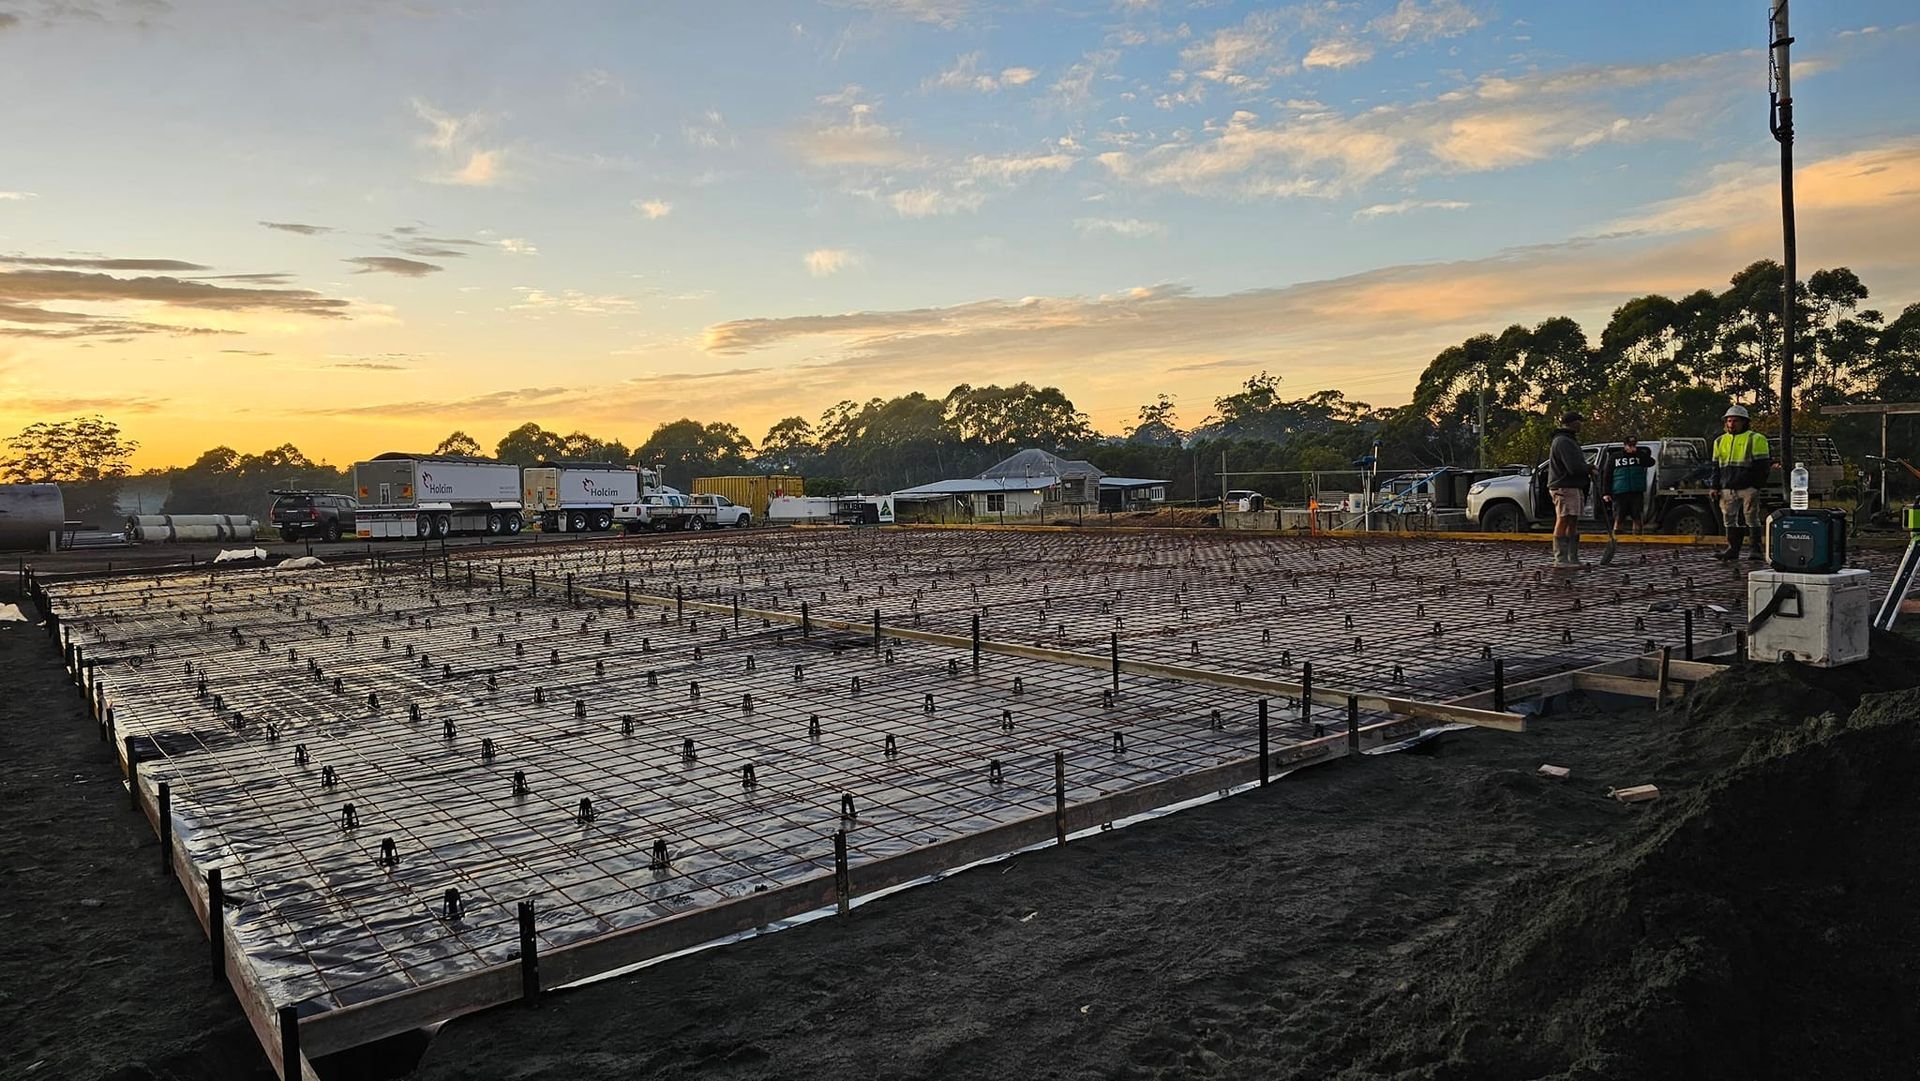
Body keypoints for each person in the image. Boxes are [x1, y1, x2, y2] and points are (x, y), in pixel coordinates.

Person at [1711, 404, 1771, 562]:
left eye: (1735, 421)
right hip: (1727, 487)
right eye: (1729, 421)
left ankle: (1755, 549)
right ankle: (1732, 549)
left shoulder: (1755, 438)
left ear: (1744, 422)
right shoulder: (1719, 441)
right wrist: (1714, 486)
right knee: (1728, 519)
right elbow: (1716, 467)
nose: (1731, 424)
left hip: (1747, 487)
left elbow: (1762, 467)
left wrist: (1756, 486)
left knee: (1751, 517)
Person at [1546, 411, 1591, 567]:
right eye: (1579, 421)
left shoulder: (1569, 440)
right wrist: (1589, 468)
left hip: (1572, 485)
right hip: (1564, 485)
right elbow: (1572, 467)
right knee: (1564, 518)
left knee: (1572, 520)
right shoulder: (1563, 441)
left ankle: (1572, 557)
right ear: (1572, 423)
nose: (1581, 425)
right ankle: (1561, 558)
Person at [1598, 436, 1656, 535]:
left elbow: (1651, 462)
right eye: (1630, 445)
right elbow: (1607, 475)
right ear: (1624, 445)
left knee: (1637, 516)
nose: (1632, 447)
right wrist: (1606, 492)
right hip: (1620, 491)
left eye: (1634, 445)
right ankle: (1617, 537)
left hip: (1636, 491)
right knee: (1619, 516)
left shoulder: (1639, 456)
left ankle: (1637, 538)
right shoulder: (1615, 457)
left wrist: (1638, 453)